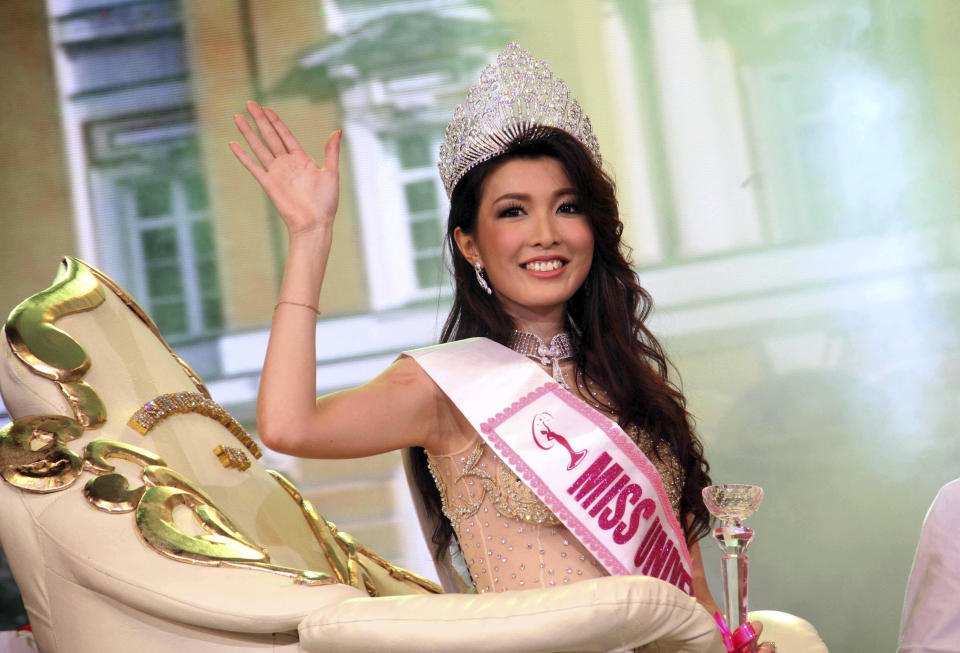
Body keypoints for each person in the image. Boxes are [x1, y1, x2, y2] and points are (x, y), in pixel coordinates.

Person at [231, 42, 774, 652]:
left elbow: (692, 595)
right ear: (470, 244)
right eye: (513, 212)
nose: (546, 234)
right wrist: (310, 236)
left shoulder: (635, 387)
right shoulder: (446, 388)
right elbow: (289, 424)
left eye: (567, 208)